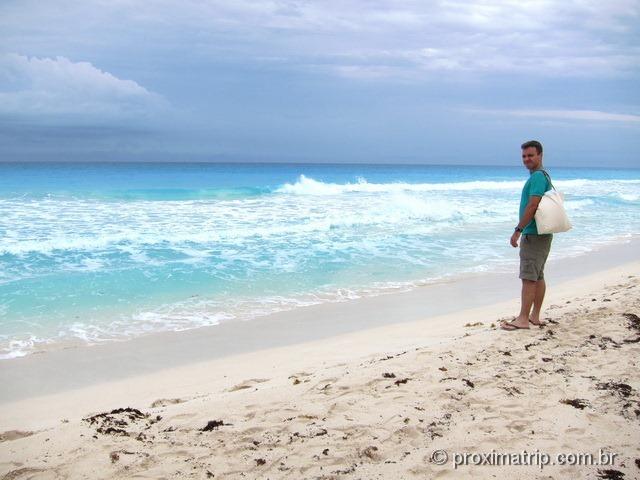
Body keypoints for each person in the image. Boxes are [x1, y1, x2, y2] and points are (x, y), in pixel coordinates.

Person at [501, 140, 553, 330]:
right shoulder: (542, 175)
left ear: (540, 155)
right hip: (542, 233)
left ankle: (523, 319)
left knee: (529, 277)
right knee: (537, 276)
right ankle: (534, 316)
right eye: (524, 156)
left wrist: (518, 230)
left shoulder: (538, 177)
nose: (526, 159)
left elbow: (533, 205)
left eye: (530, 155)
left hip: (534, 233)